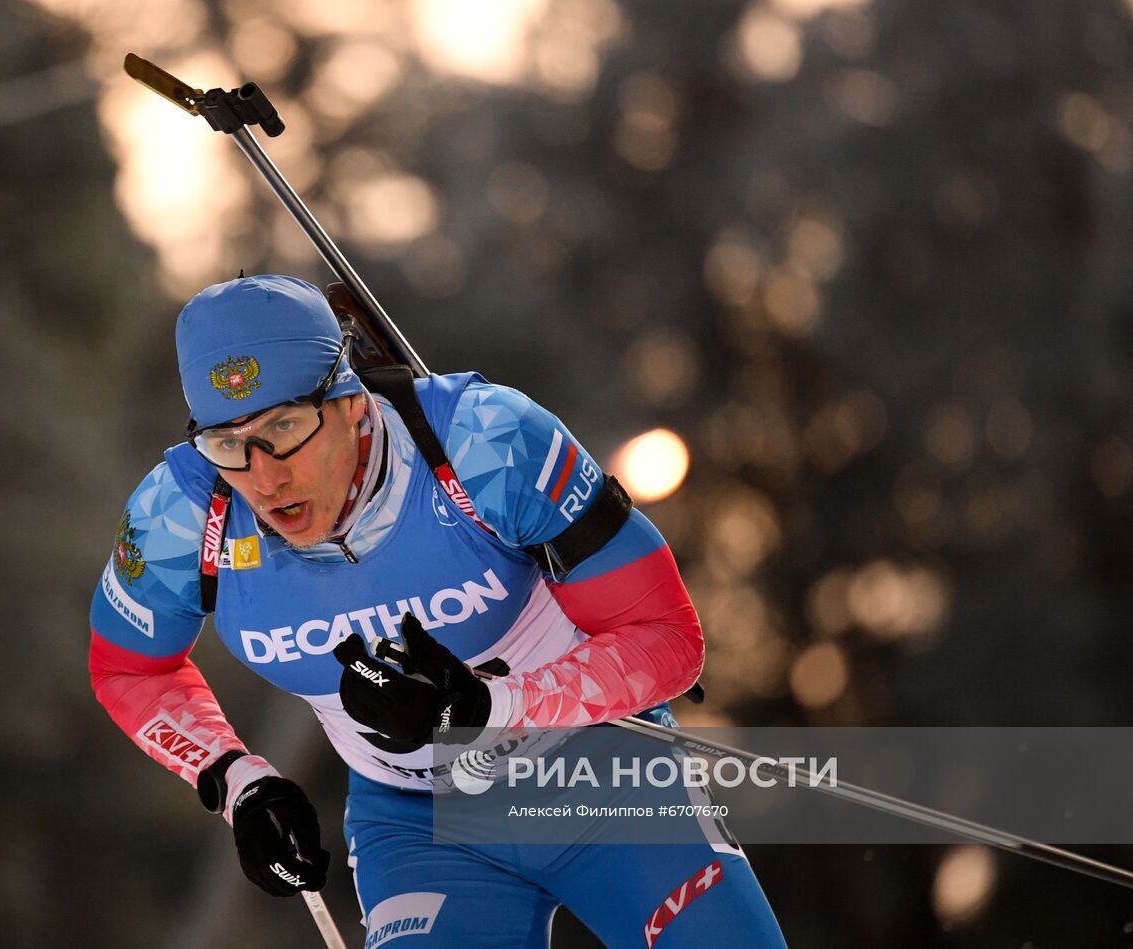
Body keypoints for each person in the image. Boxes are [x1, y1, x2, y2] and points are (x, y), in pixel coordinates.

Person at [89, 274, 786, 946]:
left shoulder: (485, 441)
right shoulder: (177, 516)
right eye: (227, 443)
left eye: (286, 425)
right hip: (419, 824)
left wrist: (488, 705)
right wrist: (238, 779)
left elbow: (667, 639)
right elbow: (130, 669)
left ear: (352, 399)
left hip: (595, 770)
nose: (265, 475)